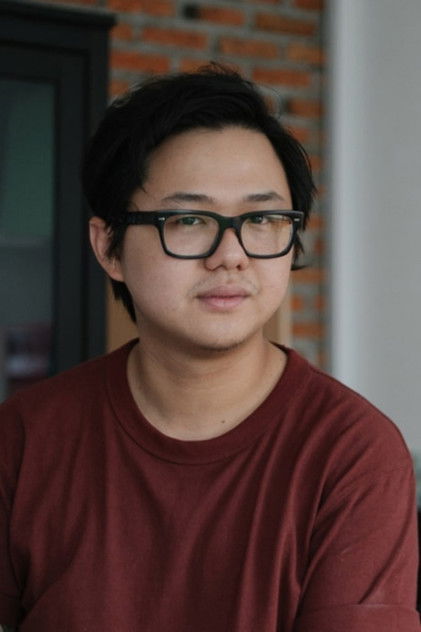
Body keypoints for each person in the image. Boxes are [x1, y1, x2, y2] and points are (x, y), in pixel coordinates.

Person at [0, 65, 419, 631]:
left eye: (262, 218)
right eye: (190, 219)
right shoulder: (24, 438)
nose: (232, 256)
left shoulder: (351, 454)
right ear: (109, 247)